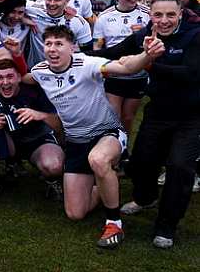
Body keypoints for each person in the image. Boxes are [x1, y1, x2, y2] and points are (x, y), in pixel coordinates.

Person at [25, 25, 162, 248]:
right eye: (48, 43)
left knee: (98, 160)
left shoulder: (87, 63)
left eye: (59, 44)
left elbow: (125, 67)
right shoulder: (41, 71)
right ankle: (107, 180)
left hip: (106, 133)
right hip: (76, 143)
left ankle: (114, 223)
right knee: (75, 213)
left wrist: (146, 54)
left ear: (73, 47)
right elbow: (26, 77)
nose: (52, 49)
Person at [90, 0, 200, 249]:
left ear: (180, 14)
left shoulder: (195, 35)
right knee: (141, 162)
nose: (164, 21)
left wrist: (150, 64)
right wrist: (78, 55)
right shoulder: (145, 35)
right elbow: (115, 51)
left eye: (170, 15)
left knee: (179, 167)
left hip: (190, 116)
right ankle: (145, 197)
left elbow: (191, 74)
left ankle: (166, 225)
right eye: (158, 15)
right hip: (158, 112)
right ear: (150, 15)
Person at [0, 59, 64, 205]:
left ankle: (52, 181)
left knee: (53, 166)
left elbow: (58, 126)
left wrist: (40, 115)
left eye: (10, 76)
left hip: (36, 141)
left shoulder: (34, 92)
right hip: (9, 142)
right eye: (0, 78)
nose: (5, 82)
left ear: (19, 77)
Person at [92, 0, 150, 132]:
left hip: (138, 74)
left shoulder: (147, 14)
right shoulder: (104, 16)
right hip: (114, 73)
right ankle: (115, 147)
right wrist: (101, 68)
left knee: (128, 117)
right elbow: (98, 45)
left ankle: (124, 151)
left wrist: (144, 35)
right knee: (113, 115)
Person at [25, 0, 92, 66]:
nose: (52, 4)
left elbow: (88, 53)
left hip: (66, 72)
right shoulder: (34, 9)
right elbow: (9, 0)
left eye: (57, 0)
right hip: (35, 70)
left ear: (67, 1)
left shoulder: (79, 23)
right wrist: (23, 18)